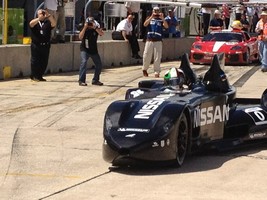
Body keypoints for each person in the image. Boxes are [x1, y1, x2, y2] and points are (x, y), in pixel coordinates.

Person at [29, 9, 56, 82]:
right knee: (35, 61)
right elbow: (31, 24)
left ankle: (40, 76)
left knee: (44, 61)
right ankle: (34, 75)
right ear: (37, 14)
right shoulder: (35, 22)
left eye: (43, 13)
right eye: (41, 13)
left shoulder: (47, 22)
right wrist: (38, 19)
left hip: (45, 45)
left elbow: (54, 24)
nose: (42, 14)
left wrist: (49, 16)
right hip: (36, 45)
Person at [142, 6, 168, 78]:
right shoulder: (149, 18)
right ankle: (144, 69)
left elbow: (166, 26)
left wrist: (162, 18)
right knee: (147, 55)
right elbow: (145, 24)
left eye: (157, 11)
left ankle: (157, 71)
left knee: (157, 57)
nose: (156, 12)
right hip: (149, 39)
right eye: (155, 11)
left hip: (158, 40)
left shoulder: (161, 20)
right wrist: (151, 17)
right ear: (152, 11)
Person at [78, 17, 104, 86]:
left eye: (91, 23)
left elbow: (101, 33)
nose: (90, 25)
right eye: (89, 23)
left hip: (93, 50)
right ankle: (81, 80)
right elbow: (80, 37)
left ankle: (95, 80)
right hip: (85, 49)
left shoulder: (95, 28)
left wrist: (94, 27)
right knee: (84, 62)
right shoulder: (84, 29)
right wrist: (85, 27)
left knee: (99, 64)